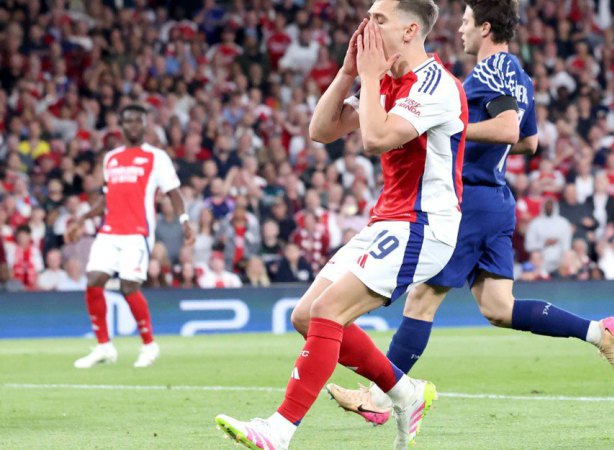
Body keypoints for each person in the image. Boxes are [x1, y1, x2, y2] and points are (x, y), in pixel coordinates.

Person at [325, 0, 614, 428]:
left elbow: (508, 129)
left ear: (485, 27)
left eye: (467, 22)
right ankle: (600, 333)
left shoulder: (493, 69)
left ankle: (379, 397)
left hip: (468, 197)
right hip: (494, 198)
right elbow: (528, 142)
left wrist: (448, 124)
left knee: (422, 298)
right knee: (499, 307)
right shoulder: (519, 75)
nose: (460, 30)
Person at [215, 2, 468, 449]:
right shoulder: (382, 80)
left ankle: (279, 430)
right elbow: (321, 131)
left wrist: (368, 78)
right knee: (305, 315)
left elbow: (375, 139)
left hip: (425, 225)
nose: (367, 25)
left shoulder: (436, 85)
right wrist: (350, 71)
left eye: (379, 19)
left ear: (410, 30)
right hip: (389, 220)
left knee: (329, 311)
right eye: (368, 16)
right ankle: (406, 393)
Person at [66, 104, 195, 369]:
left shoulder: (156, 157)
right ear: (121, 125)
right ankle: (104, 346)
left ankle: (149, 345)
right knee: (93, 281)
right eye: (129, 121)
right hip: (109, 231)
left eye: (138, 121)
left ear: (145, 124)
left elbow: (173, 192)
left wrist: (184, 220)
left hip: (137, 233)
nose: (134, 125)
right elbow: (106, 198)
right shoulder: (111, 158)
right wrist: (82, 218)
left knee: (128, 286)